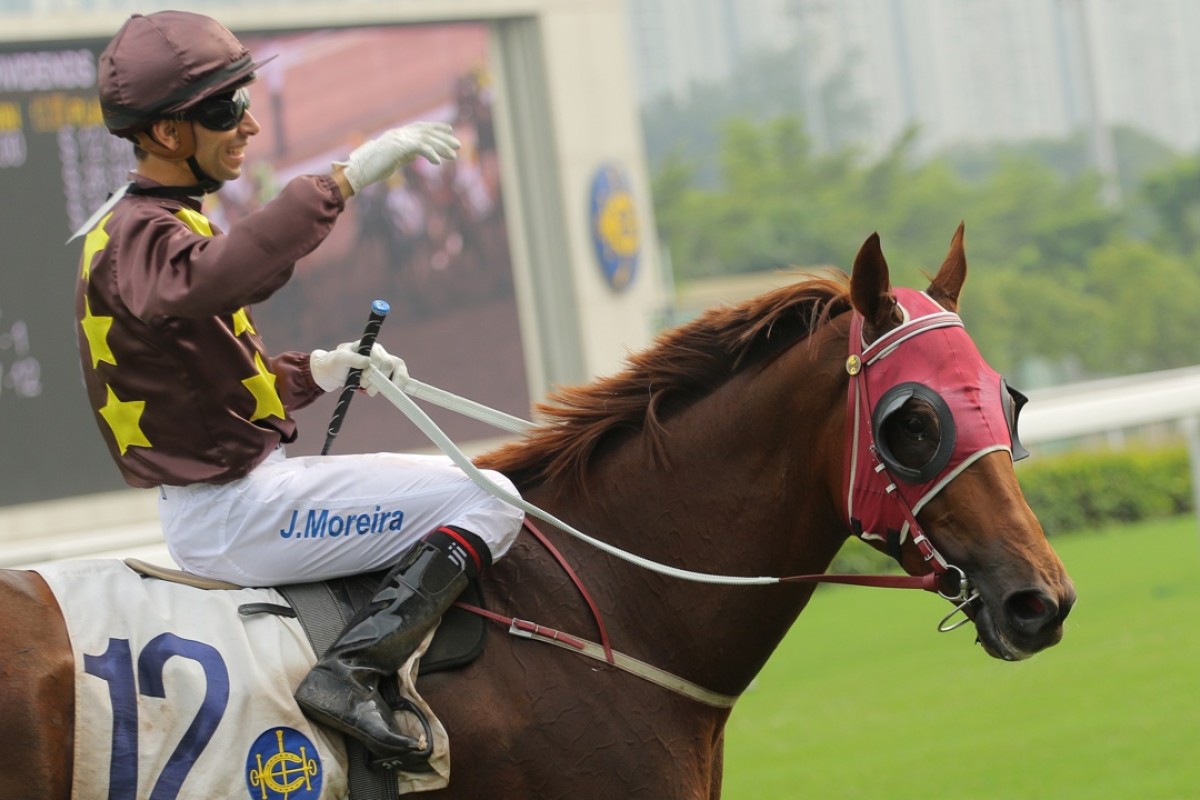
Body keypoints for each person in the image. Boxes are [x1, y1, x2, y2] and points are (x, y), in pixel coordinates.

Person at [75, 10, 524, 769]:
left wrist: (315, 371)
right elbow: (215, 280)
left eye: (244, 98)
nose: (246, 124)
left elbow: (204, 385)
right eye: (223, 109)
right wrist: (344, 178)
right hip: (236, 513)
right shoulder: (141, 236)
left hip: (238, 499)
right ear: (164, 134)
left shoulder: (153, 229)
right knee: (495, 499)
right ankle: (351, 672)